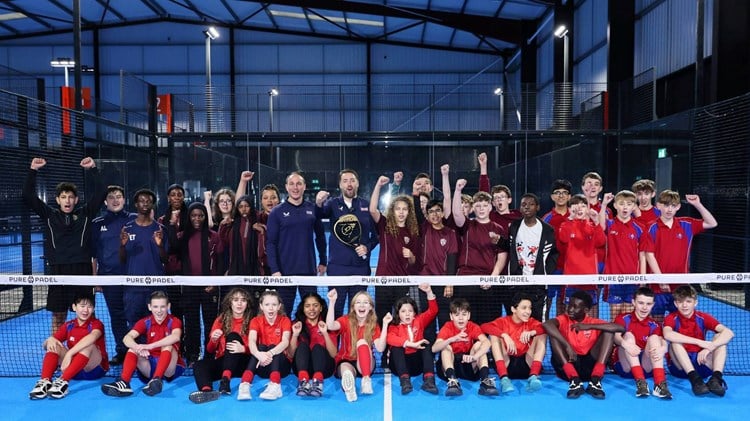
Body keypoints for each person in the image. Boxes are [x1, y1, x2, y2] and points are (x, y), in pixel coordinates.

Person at [22, 156, 104, 332]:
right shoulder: (49, 214)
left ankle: (88, 352)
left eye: (71, 197)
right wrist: (32, 170)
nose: (67, 201)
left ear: (76, 200)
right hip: (58, 270)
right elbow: (28, 196)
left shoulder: (86, 213)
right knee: (58, 316)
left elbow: (101, 192)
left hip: (82, 270)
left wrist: (93, 169)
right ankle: (58, 353)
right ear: (58, 200)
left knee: (87, 314)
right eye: (63, 197)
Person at [645, 191, 718, 320]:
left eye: (673, 206)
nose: (669, 209)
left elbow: (712, 223)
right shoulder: (651, 227)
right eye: (666, 205)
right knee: (657, 321)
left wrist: (698, 204)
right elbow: (650, 255)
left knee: (680, 322)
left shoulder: (687, 224)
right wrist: (660, 279)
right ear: (658, 206)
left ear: (678, 207)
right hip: (658, 286)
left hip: (681, 284)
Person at [315, 169, 379, 316]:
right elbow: (318, 215)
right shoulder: (332, 204)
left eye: (352, 180)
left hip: (360, 268)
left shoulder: (366, 206)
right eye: (345, 181)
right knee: (335, 311)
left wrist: (367, 247)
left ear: (357, 183)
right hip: (337, 269)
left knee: (359, 314)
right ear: (340, 185)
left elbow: (377, 236)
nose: (349, 184)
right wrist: (318, 203)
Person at [101, 290, 185, 397]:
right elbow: (127, 338)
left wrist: (149, 346)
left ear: (168, 306)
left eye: (162, 307)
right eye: (155, 307)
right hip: (150, 365)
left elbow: (175, 336)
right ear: (149, 307)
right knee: (132, 349)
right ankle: (124, 383)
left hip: (170, 368)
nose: (159, 311)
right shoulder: (145, 322)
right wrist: (138, 347)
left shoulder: (174, 321)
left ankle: (156, 380)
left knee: (167, 345)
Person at [543, 290, 624, 399]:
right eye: (569, 305)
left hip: (589, 368)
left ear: (585, 310)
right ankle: (574, 381)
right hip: (569, 364)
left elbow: (620, 328)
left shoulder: (591, 321)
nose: (570, 309)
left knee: (608, 331)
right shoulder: (563, 319)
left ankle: (596, 380)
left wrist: (590, 326)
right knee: (553, 333)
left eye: (575, 307)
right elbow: (547, 325)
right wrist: (567, 345)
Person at [266, 172, 327, 316]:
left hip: (308, 272)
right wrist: (275, 270)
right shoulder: (276, 212)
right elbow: (271, 243)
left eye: (299, 184)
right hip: (284, 273)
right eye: (292, 184)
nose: (295, 187)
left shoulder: (313, 209)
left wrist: (323, 260)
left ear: (304, 187)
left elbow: (320, 236)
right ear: (286, 187)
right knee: (283, 315)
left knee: (312, 314)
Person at [29, 291, 108, 400]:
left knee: (88, 345)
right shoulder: (69, 325)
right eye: (82, 306)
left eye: (89, 307)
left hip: (93, 370)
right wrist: (49, 340)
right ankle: (45, 382)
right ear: (74, 307)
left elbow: (92, 337)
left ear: (93, 309)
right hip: (74, 370)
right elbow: (45, 345)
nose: (85, 310)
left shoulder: (96, 324)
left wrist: (69, 353)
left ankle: (63, 381)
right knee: (54, 345)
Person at [452, 178, 508, 324]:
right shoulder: (467, 225)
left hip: (487, 281)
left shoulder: (498, 228)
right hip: (466, 280)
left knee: (488, 323)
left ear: (490, 207)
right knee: (467, 323)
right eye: (478, 206)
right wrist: (458, 191)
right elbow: (457, 215)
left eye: (485, 205)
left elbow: (502, 255)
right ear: (473, 209)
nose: (482, 208)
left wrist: (493, 277)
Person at [663, 285, 734, 397]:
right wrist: (699, 342)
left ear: (695, 303)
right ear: (676, 304)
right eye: (680, 302)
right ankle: (695, 380)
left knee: (720, 340)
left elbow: (729, 332)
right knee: (674, 342)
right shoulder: (671, 318)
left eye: (688, 301)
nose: (684, 305)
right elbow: (667, 334)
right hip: (679, 367)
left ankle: (715, 379)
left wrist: (710, 346)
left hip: (702, 362)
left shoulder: (703, 317)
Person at [369, 175, 422, 325]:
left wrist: (411, 255)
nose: (401, 212)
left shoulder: (412, 232)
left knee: (401, 321)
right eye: (398, 209)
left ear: (409, 212)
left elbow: (414, 262)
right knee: (382, 319)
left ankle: (399, 347)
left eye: (404, 209)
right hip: (384, 281)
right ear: (393, 210)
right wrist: (378, 185)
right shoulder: (384, 225)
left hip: (402, 282)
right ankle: (384, 349)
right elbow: (373, 209)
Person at [91, 185, 134, 365]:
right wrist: (96, 280)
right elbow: (93, 255)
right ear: (105, 201)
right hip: (109, 278)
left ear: (124, 200)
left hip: (134, 278)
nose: (115, 200)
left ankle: (137, 350)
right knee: (117, 316)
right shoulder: (97, 223)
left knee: (135, 314)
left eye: (118, 196)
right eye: (111, 197)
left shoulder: (135, 219)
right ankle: (122, 351)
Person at [188, 288, 254, 404]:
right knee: (199, 365)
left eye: (243, 300)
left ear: (247, 303)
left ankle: (225, 380)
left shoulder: (253, 321)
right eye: (235, 300)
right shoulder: (221, 319)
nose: (239, 303)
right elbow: (210, 349)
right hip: (225, 361)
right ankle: (207, 392)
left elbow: (259, 347)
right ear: (230, 302)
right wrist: (213, 340)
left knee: (233, 336)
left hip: (244, 363)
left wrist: (244, 348)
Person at [176, 202, 223, 364]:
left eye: (201, 215)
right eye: (194, 215)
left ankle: (210, 354)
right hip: (189, 288)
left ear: (205, 217)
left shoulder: (214, 236)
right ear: (189, 217)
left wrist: (215, 283)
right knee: (191, 323)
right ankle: (192, 355)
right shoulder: (181, 237)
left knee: (211, 322)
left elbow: (221, 261)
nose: (197, 219)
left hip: (209, 288)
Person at [326, 289, 391, 402]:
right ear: (353, 307)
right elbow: (330, 326)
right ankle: (349, 389)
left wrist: (385, 325)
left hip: (365, 363)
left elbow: (380, 348)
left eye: (365, 302)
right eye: (358, 302)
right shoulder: (345, 320)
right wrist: (332, 302)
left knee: (361, 342)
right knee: (346, 372)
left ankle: (366, 380)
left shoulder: (373, 325)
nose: (362, 305)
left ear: (370, 307)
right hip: (346, 360)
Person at [120, 189, 168, 329]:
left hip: (156, 286)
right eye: (142, 201)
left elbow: (165, 260)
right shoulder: (127, 229)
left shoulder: (160, 229)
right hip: (133, 288)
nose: (145, 204)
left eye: (148, 201)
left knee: (157, 326)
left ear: (153, 204)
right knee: (134, 327)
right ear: (136, 204)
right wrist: (122, 246)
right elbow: (122, 260)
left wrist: (159, 246)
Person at [505, 193, 558, 321]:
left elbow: (553, 254)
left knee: (538, 319)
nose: (527, 207)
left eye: (531, 204)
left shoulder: (547, 230)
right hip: (518, 281)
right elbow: (511, 247)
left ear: (538, 207)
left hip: (538, 283)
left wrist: (545, 272)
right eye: (523, 205)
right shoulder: (514, 226)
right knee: (517, 319)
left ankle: (538, 342)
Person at [611, 287, 672, 399]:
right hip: (625, 366)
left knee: (654, 338)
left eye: (648, 304)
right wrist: (626, 345)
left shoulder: (655, 325)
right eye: (641, 303)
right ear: (633, 302)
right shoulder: (623, 318)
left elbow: (663, 341)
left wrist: (663, 348)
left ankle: (659, 384)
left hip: (646, 367)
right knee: (628, 336)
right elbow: (616, 337)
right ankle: (641, 382)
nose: (644, 307)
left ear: (653, 305)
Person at [481, 293, 546, 393]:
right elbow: (484, 327)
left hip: (527, 365)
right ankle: (504, 380)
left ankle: (533, 376)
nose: (528, 311)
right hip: (507, 364)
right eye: (524, 308)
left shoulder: (531, 322)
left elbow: (545, 328)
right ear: (513, 309)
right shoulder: (503, 321)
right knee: (494, 336)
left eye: (529, 308)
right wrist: (504, 335)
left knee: (542, 335)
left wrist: (532, 332)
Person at [431, 298, 498, 397]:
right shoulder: (447, 327)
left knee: (479, 345)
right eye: (457, 315)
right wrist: (451, 339)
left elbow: (487, 343)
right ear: (451, 316)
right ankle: (453, 382)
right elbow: (434, 348)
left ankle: (485, 381)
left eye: (464, 314)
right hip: (450, 365)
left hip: (468, 365)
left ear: (469, 315)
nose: (461, 318)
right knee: (446, 347)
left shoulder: (473, 327)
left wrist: (475, 357)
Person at [599, 190, 648, 320]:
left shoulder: (640, 228)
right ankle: (615, 341)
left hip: (632, 279)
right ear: (615, 206)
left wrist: (642, 279)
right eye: (621, 203)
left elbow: (642, 256)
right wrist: (603, 204)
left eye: (629, 204)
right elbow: (600, 225)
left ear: (634, 207)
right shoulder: (609, 224)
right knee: (615, 317)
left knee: (628, 317)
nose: (625, 207)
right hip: (613, 278)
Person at [237, 290, 292, 401]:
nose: (270, 308)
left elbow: (285, 342)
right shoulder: (255, 321)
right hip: (262, 365)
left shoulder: (285, 320)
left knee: (273, 346)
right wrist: (258, 354)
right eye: (267, 305)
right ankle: (245, 384)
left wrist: (270, 353)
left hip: (282, 367)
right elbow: (252, 341)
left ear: (279, 306)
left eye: (274, 305)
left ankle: (276, 385)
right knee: (260, 347)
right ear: (261, 306)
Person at [556, 194, 606, 318]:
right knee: (570, 312)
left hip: (590, 280)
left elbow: (601, 242)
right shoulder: (565, 225)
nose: (579, 208)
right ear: (570, 209)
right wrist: (571, 218)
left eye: (583, 206)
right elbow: (563, 238)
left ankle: (593, 337)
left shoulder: (592, 227)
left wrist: (596, 222)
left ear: (587, 209)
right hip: (571, 280)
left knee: (591, 312)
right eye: (575, 206)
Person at [386, 283, 439, 395]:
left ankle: (429, 381)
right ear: (398, 313)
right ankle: (405, 382)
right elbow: (390, 339)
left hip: (416, 365)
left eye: (410, 311)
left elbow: (433, 311)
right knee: (396, 347)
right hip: (399, 366)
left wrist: (429, 292)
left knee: (426, 345)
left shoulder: (419, 320)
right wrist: (411, 344)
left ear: (414, 313)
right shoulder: (393, 326)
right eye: (403, 311)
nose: (407, 314)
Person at [288, 292, 338, 398]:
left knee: (317, 348)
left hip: (324, 369)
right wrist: (295, 335)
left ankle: (318, 383)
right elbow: (291, 355)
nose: (311, 309)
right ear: (303, 309)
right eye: (307, 306)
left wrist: (325, 333)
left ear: (320, 308)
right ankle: (303, 382)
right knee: (302, 346)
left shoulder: (328, 324)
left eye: (315, 305)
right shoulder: (296, 325)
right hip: (302, 368)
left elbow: (333, 354)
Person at [542, 179, 572, 319]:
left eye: (564, 193)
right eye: (557, 193)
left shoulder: (575, 218)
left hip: (569, 270)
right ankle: (543, 338)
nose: (561, 196)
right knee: (546, 306)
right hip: (550, 269)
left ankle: (560, 339)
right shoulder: (546, 219)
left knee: (563, 307)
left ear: (569, 197)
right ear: (552, 197)